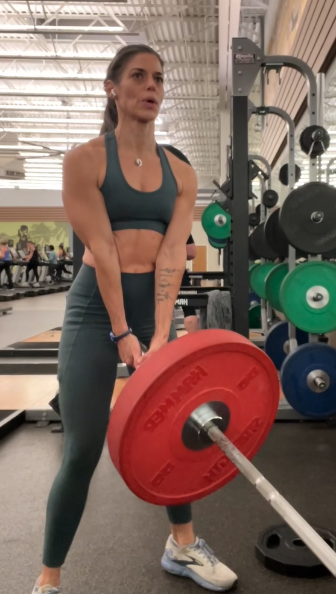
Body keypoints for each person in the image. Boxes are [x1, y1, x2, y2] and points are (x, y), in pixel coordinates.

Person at [31, 44, 237, 594]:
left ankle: (182, 546)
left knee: (179, 428)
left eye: (159, 79)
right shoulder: (85, 161)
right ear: (112, 89)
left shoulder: (180, 172)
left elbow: (172, 253)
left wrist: (162, 333)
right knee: (82, 448)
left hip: (153, 307)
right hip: (94, 310)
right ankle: (49, 578)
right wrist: (122, 331)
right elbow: (101, 248)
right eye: (139, 76)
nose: (152, 86)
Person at [180, 234, 199, 333]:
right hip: (176, 270)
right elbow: (191, 252)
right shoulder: (179, 227)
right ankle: (194, 340)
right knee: (188, 307)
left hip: (147, 271)